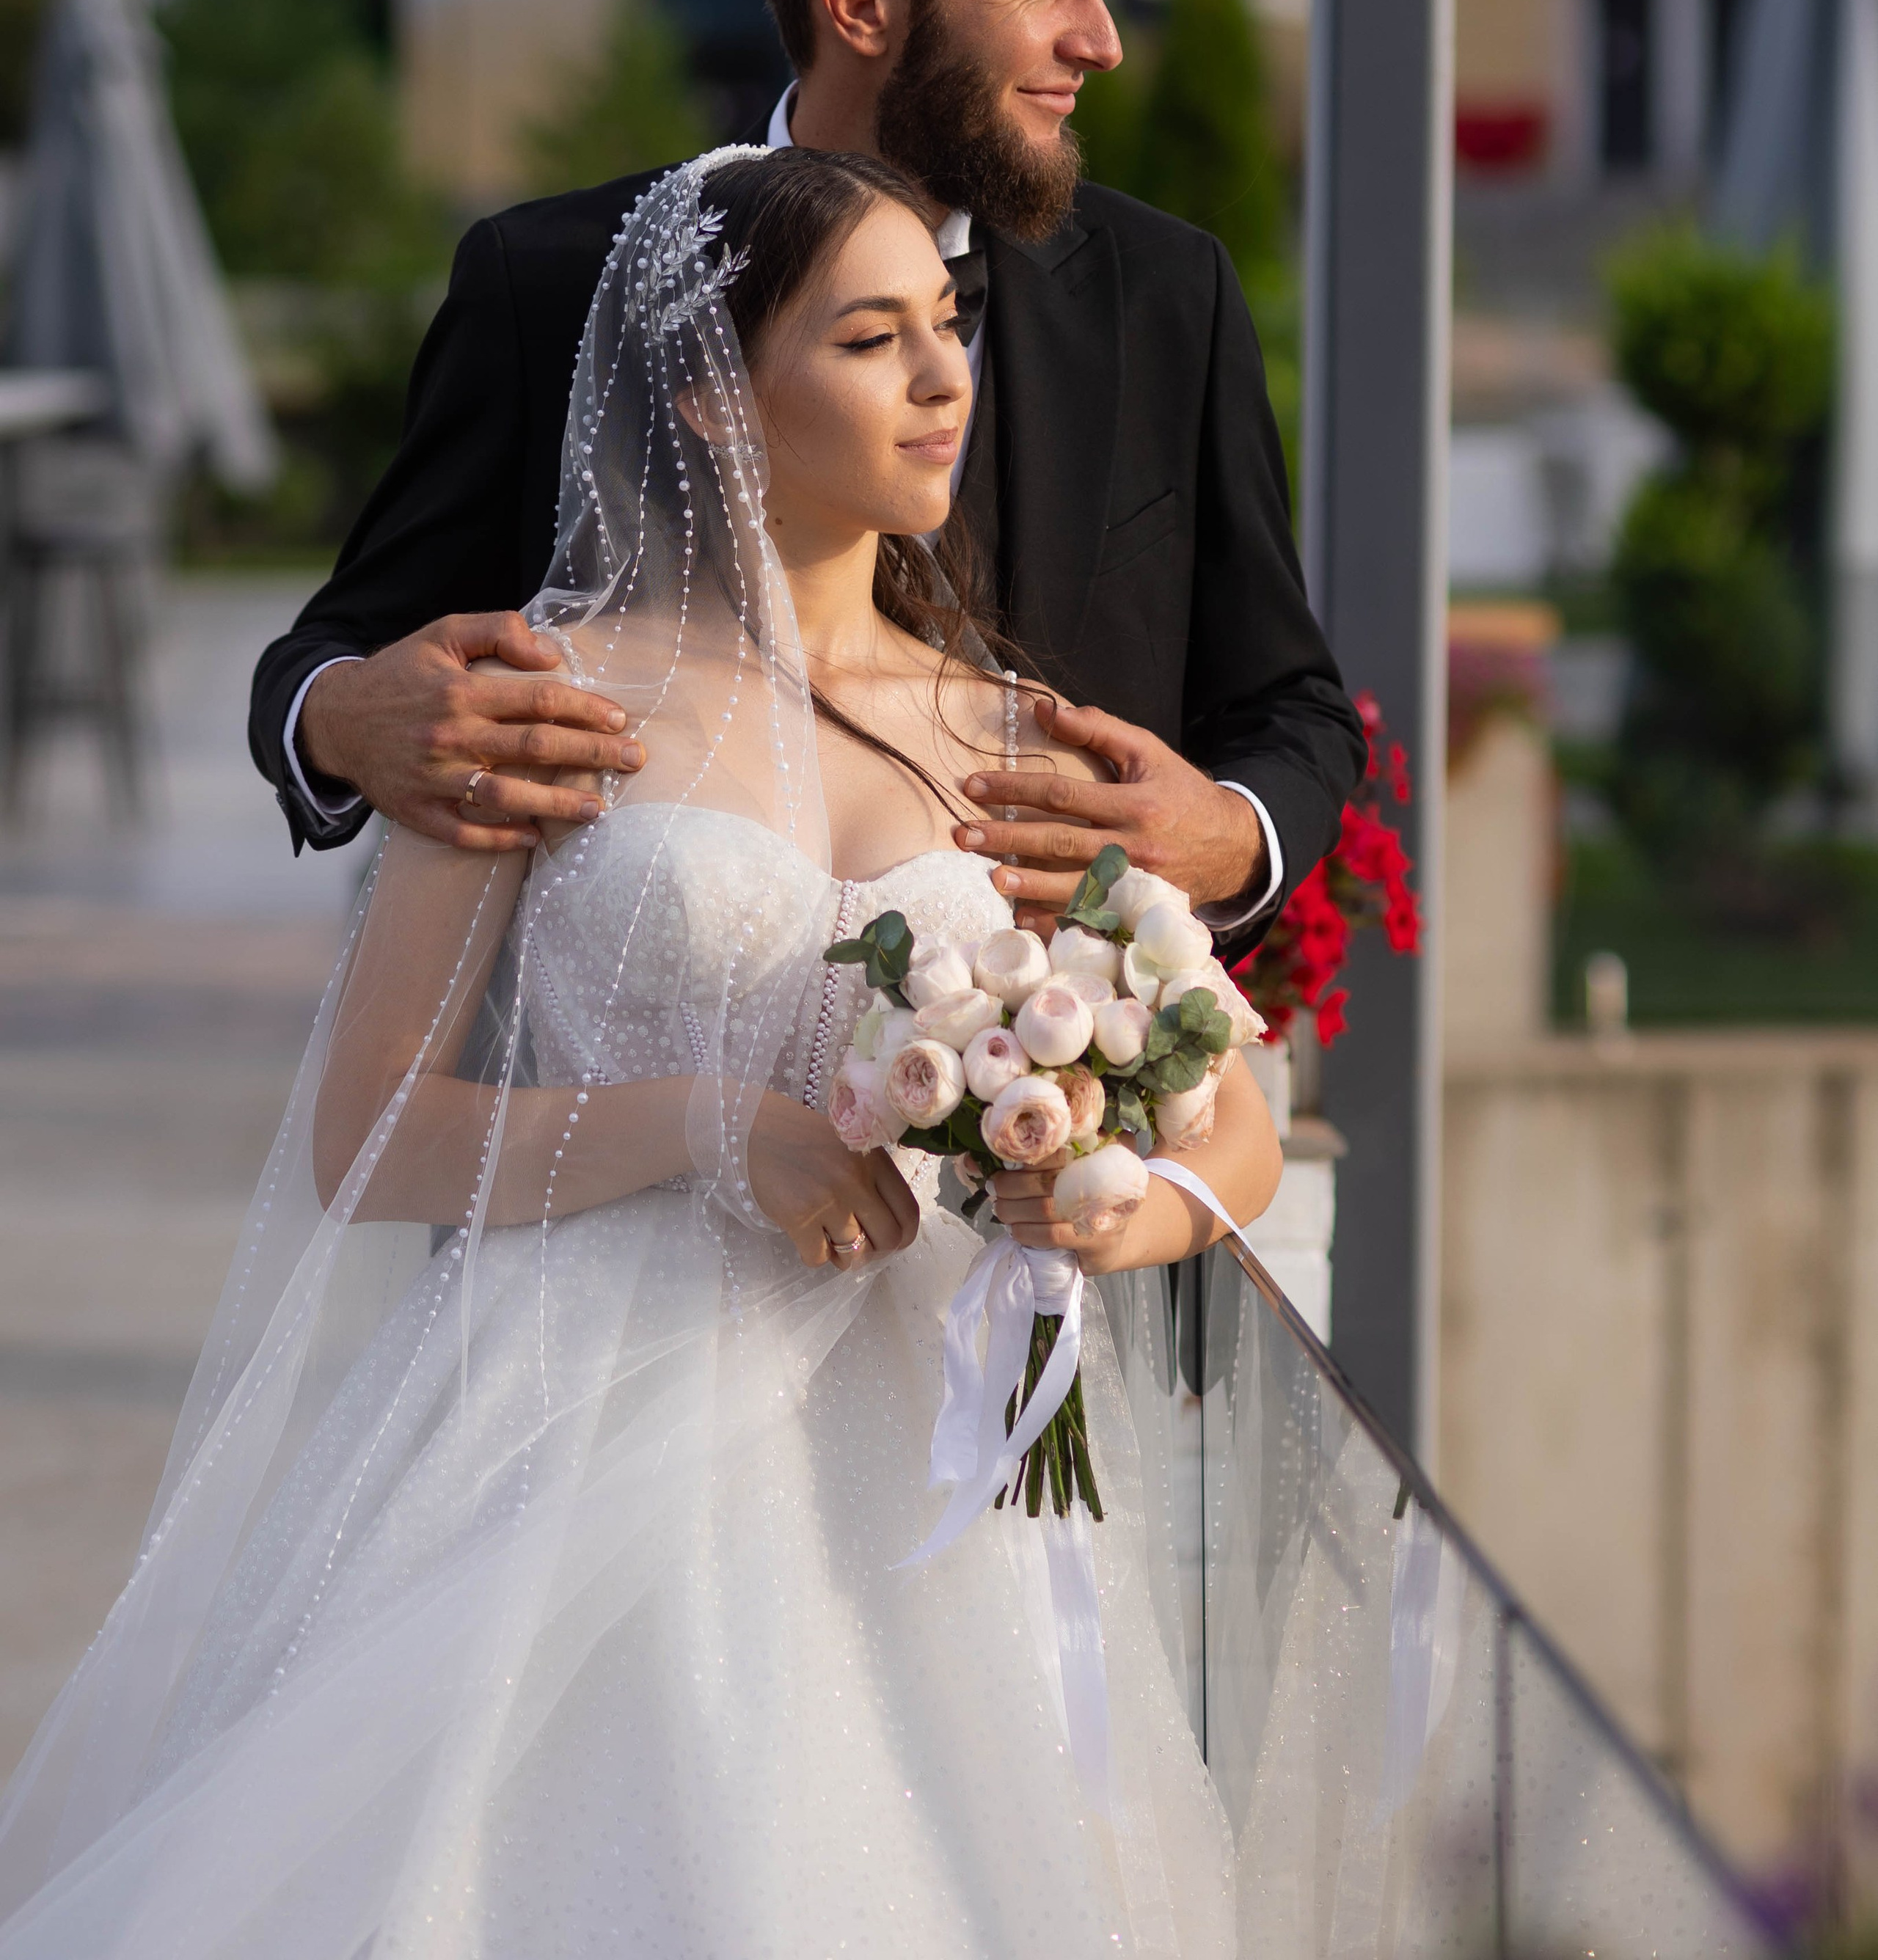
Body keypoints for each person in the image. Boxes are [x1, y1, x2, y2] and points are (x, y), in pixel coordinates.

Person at [0, 150, 1280, 1954]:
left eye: (947, 325)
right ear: (709, 393)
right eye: (869, 338)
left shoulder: (1015, 730)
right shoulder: (538, 700)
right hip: (565, 1439)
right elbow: (368, 1132)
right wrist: (702, 1128)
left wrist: (1122, 1206)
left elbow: (1232, 1123)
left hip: (928, 1482)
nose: (941, 381)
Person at [249, 0, 1363, 943]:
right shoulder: (554, 285)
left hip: (1051, 1092)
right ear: (862, 4)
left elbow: (1293, 703)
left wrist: (1230, 836)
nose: (1099, 41)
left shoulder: (1167, 293)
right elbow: (337, 647)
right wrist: (341, 720)